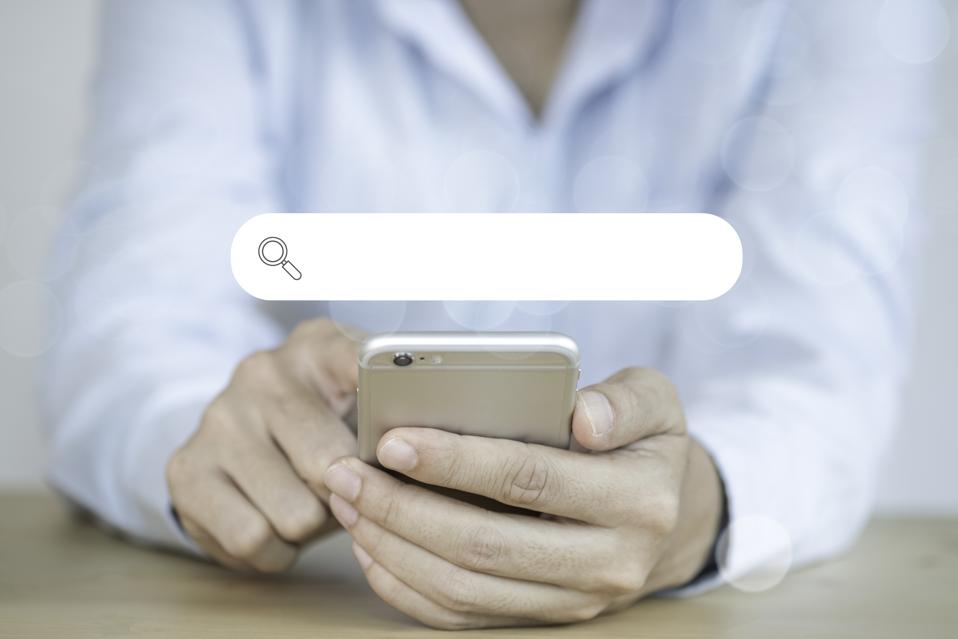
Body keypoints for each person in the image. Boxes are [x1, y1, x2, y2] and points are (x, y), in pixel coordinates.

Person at [43, 0, 932, 629]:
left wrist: (703, 506)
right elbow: (130, 319)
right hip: (336, 599)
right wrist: (216, 445)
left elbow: (823, 360)